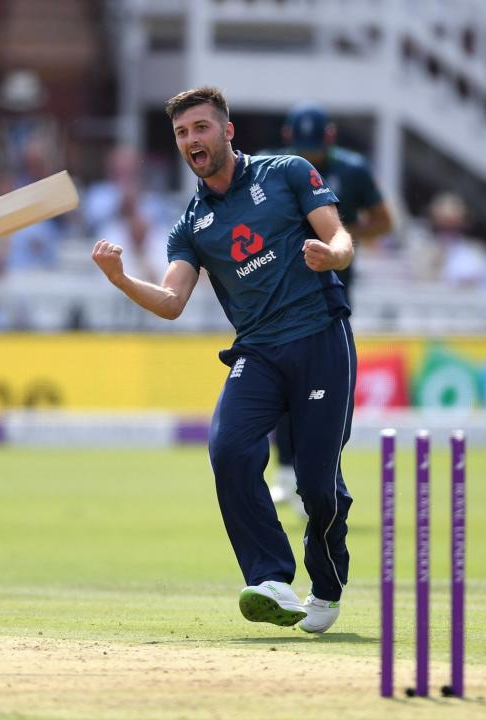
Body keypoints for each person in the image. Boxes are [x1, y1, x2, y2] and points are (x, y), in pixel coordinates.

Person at [92, 86, 357, 634]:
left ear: (227, 131)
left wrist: (330, 254)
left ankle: (325, 589)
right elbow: (171, 303)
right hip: (258, 350)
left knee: (317, 488)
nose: (192, 140)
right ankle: (271, 578)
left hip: (320, 338)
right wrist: (121, 280)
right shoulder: (189, 224)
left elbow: (341, 238)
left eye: (201, 128)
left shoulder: (287, 172)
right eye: (183, 133)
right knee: (229, 449)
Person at [267, 102, 393, 514]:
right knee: (282, 387)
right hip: (281, 293)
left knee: (323, 388)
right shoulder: (271, 169)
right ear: (288, 140)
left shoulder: (353, 169)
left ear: (331, 139)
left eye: (315, 151)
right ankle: (287, 473)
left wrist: (338, 233)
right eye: (303, 150)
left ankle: (317, 476)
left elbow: (385, 221)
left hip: (332, 291)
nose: (310, 159)